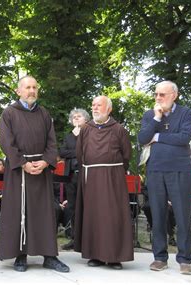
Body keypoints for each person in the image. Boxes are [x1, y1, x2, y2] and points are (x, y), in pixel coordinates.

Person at [0, 75, 69, 273]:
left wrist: (46, 161)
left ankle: (49, 256)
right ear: (18, 91)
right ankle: (21, 256)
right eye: (27, 87)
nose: (31, 91)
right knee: (20, 212)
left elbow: (52, 142)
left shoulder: (44, 114)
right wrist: (23, 163)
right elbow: (6, 142)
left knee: (45, 213)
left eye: (34, 87)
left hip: (42, 170)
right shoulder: (9, 113)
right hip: (19, 172)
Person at [138, 80, 191, 275]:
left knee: (182, 215)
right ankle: (159, 258)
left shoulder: (185, 113)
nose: (158, 98)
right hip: (155, 170)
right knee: (158, 214)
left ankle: (185, 259)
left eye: (162, 94)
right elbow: (142, 138)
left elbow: (184, 137)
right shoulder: (149, 115)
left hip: (180, 170)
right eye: (156, 94)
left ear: (174, 95)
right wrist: (155, 119)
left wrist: (159, 137)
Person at [74, 95, 133, 270]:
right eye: (93, 105)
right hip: (90, 177)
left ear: (108, 109)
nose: (95, 108)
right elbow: (80, 153)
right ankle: (95, 255)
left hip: (112, 177)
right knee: (93, 215)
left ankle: (115, 256)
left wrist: (113, 171)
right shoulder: (86, 129)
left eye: (99, 105)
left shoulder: (119, 129)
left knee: (113, 216)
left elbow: (126, 155)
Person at [58, 108, 90, 250]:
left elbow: (87, 151)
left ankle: (87, 240)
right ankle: (74, 238)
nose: (76, 119)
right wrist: (76, 151)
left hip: (87, 174)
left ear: (86, 120)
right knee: (72, 207)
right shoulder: (68, 136)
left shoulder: (90, 133)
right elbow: (62, 152)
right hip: (71, 176)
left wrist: (78, 139)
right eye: (74, 117)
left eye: (79, 116)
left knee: (86, 206)